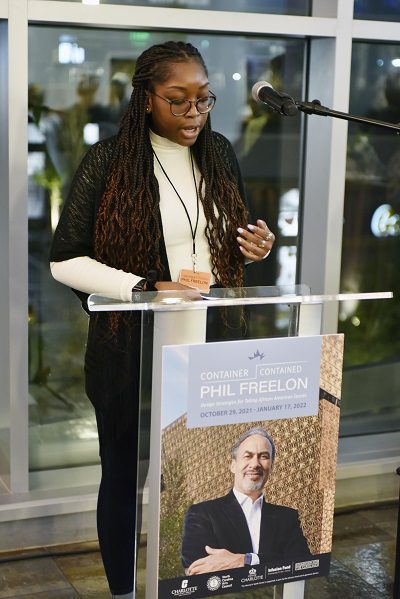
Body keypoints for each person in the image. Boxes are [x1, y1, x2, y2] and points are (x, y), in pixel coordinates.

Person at [49, 41, 275, 598]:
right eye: (178, 100)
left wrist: (254, 247)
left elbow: (229, 237)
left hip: (210, 346)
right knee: (124, 477)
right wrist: (145, 288)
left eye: (203, 100)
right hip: (133, 346)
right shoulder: (109, 161)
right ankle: (126, 593)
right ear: (146, 98)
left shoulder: (219, 153)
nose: (194, 113)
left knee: (200, 480)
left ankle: (192, 583)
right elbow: (64, 260)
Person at [181, 427, 311, 575]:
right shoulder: (203, 513)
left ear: (272, 467)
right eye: (248, 456)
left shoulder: (287, 517)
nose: (255, 464)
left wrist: (246, 560)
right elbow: (197, 568)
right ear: (233, 465)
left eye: (263, 456)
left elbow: (302, 563)